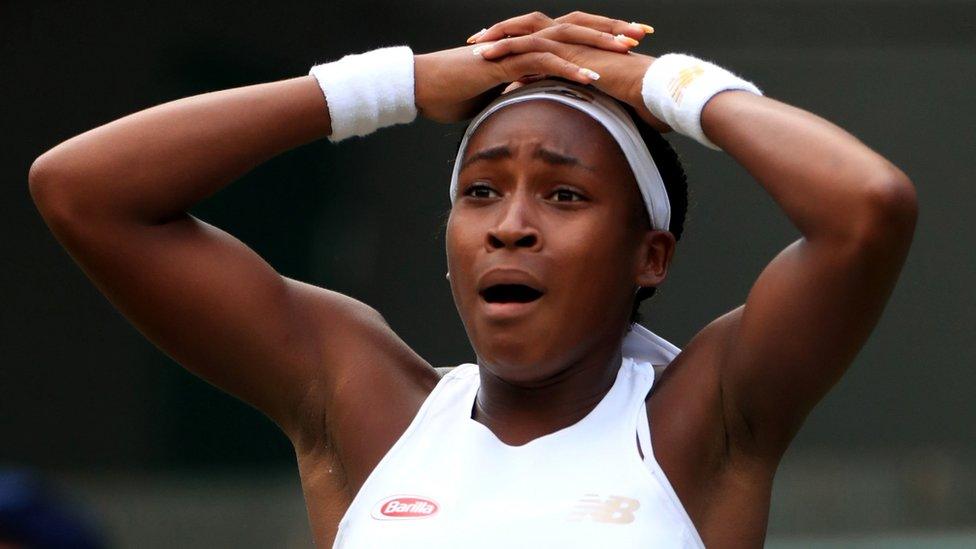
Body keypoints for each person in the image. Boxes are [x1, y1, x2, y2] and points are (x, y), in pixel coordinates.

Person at [28, 9, 917, 548]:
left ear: (650, 254)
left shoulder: (702, 418)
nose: (512, 223)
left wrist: (661, 84)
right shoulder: (364, 404)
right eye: (481, 190)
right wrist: (400, 83)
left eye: (564, 194)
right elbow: (82, 190)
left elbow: (866, 207)